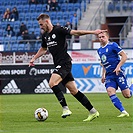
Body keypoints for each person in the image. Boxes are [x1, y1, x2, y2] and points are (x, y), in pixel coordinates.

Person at [29, 13, 106, 121]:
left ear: (47, 21)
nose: (40, 27)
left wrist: (93, 32)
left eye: (41, 24)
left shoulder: (59, 30)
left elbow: (76, 32)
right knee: (74, 90)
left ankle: (65, 108)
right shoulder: (45, 36)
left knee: (52, 83)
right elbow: (43, 49)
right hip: (59, 64)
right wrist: (34, 58)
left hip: (65, 62)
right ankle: (93, 111)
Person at [97, 31, 133, 117]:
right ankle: (123, 111)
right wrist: (103, 75)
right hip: (109, 75)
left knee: (127, 95)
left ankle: (132, 85)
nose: (101, 38)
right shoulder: (99, 50)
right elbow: (103, 63)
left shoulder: (113, 45)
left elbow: (124, 56)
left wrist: (118, 67)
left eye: (103, 37)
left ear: (107, 37)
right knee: (110, 91)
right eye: (99, 37)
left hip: (118, 73)